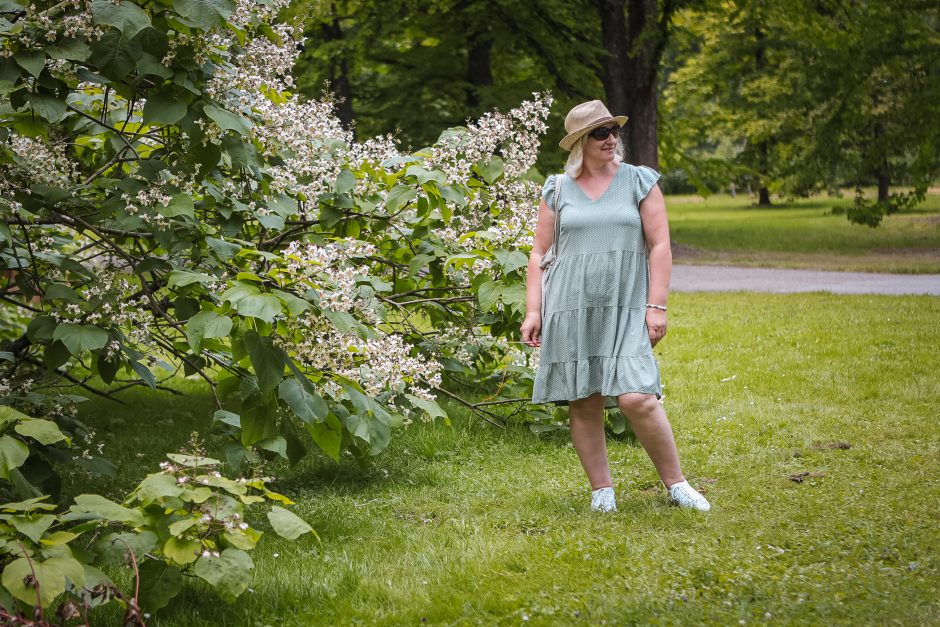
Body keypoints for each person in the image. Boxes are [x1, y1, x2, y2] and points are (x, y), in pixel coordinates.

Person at [520, 100, 711, 513]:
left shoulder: (639, 181)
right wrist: (534, 310)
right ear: (579, 144)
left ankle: (677, 484)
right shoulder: (557, 188)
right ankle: (601, 491)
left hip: (626, 306)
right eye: (599, 133)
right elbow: (539, 252)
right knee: (584, 398)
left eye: (613, 130)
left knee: (636, 396)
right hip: (570, 306)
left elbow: (660, 245)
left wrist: (656, 306)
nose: (611, 138)